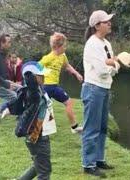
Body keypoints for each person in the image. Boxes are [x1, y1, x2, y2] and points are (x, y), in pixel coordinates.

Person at [81, 10, 120, 176]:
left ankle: (99, 159)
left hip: (104, 88)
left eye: (109, 21)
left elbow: (114, 66)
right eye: (106, 21)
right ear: (97, 25)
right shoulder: (92, 44)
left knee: (103, 127)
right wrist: (112, 64)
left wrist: (112, 63)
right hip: (93, 88)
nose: (109, 23)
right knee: (92, 128)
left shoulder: (106, 43)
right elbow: (103, 70)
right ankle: (88, 165)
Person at [8, 61, 52, 180]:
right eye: (40, 75)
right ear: (33, 78)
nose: (44, 77)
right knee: (44, 171)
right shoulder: (33, 93)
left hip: (40, 136)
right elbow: (30, 82)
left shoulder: (39, 90)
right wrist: (29, 75)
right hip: (37, 137)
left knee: (38, 165)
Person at [39, 32, 83, 134]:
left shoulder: (63, 56)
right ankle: (36, 130)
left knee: (69, 103)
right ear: (58, 46)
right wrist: (42, 78)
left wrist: (77, 74)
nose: (65, 47)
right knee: (43, 109)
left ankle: (74, 127)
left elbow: (67, 66)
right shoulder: (48, 57)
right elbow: (37, 67)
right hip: (46, 87)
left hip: (54, 87)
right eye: (64, 45)